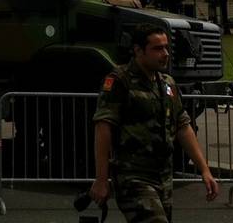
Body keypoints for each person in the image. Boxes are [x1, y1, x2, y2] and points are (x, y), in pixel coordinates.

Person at [90, 24, 219, 222]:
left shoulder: (167, 83)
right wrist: (101, 180)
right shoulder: (119, 81)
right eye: (157, 49)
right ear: (138, 50)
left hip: (163, 176)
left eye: (166, 47)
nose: (165, 54)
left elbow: (183, 126)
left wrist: (204, 169)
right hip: (133, 176)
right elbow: (103, 127)